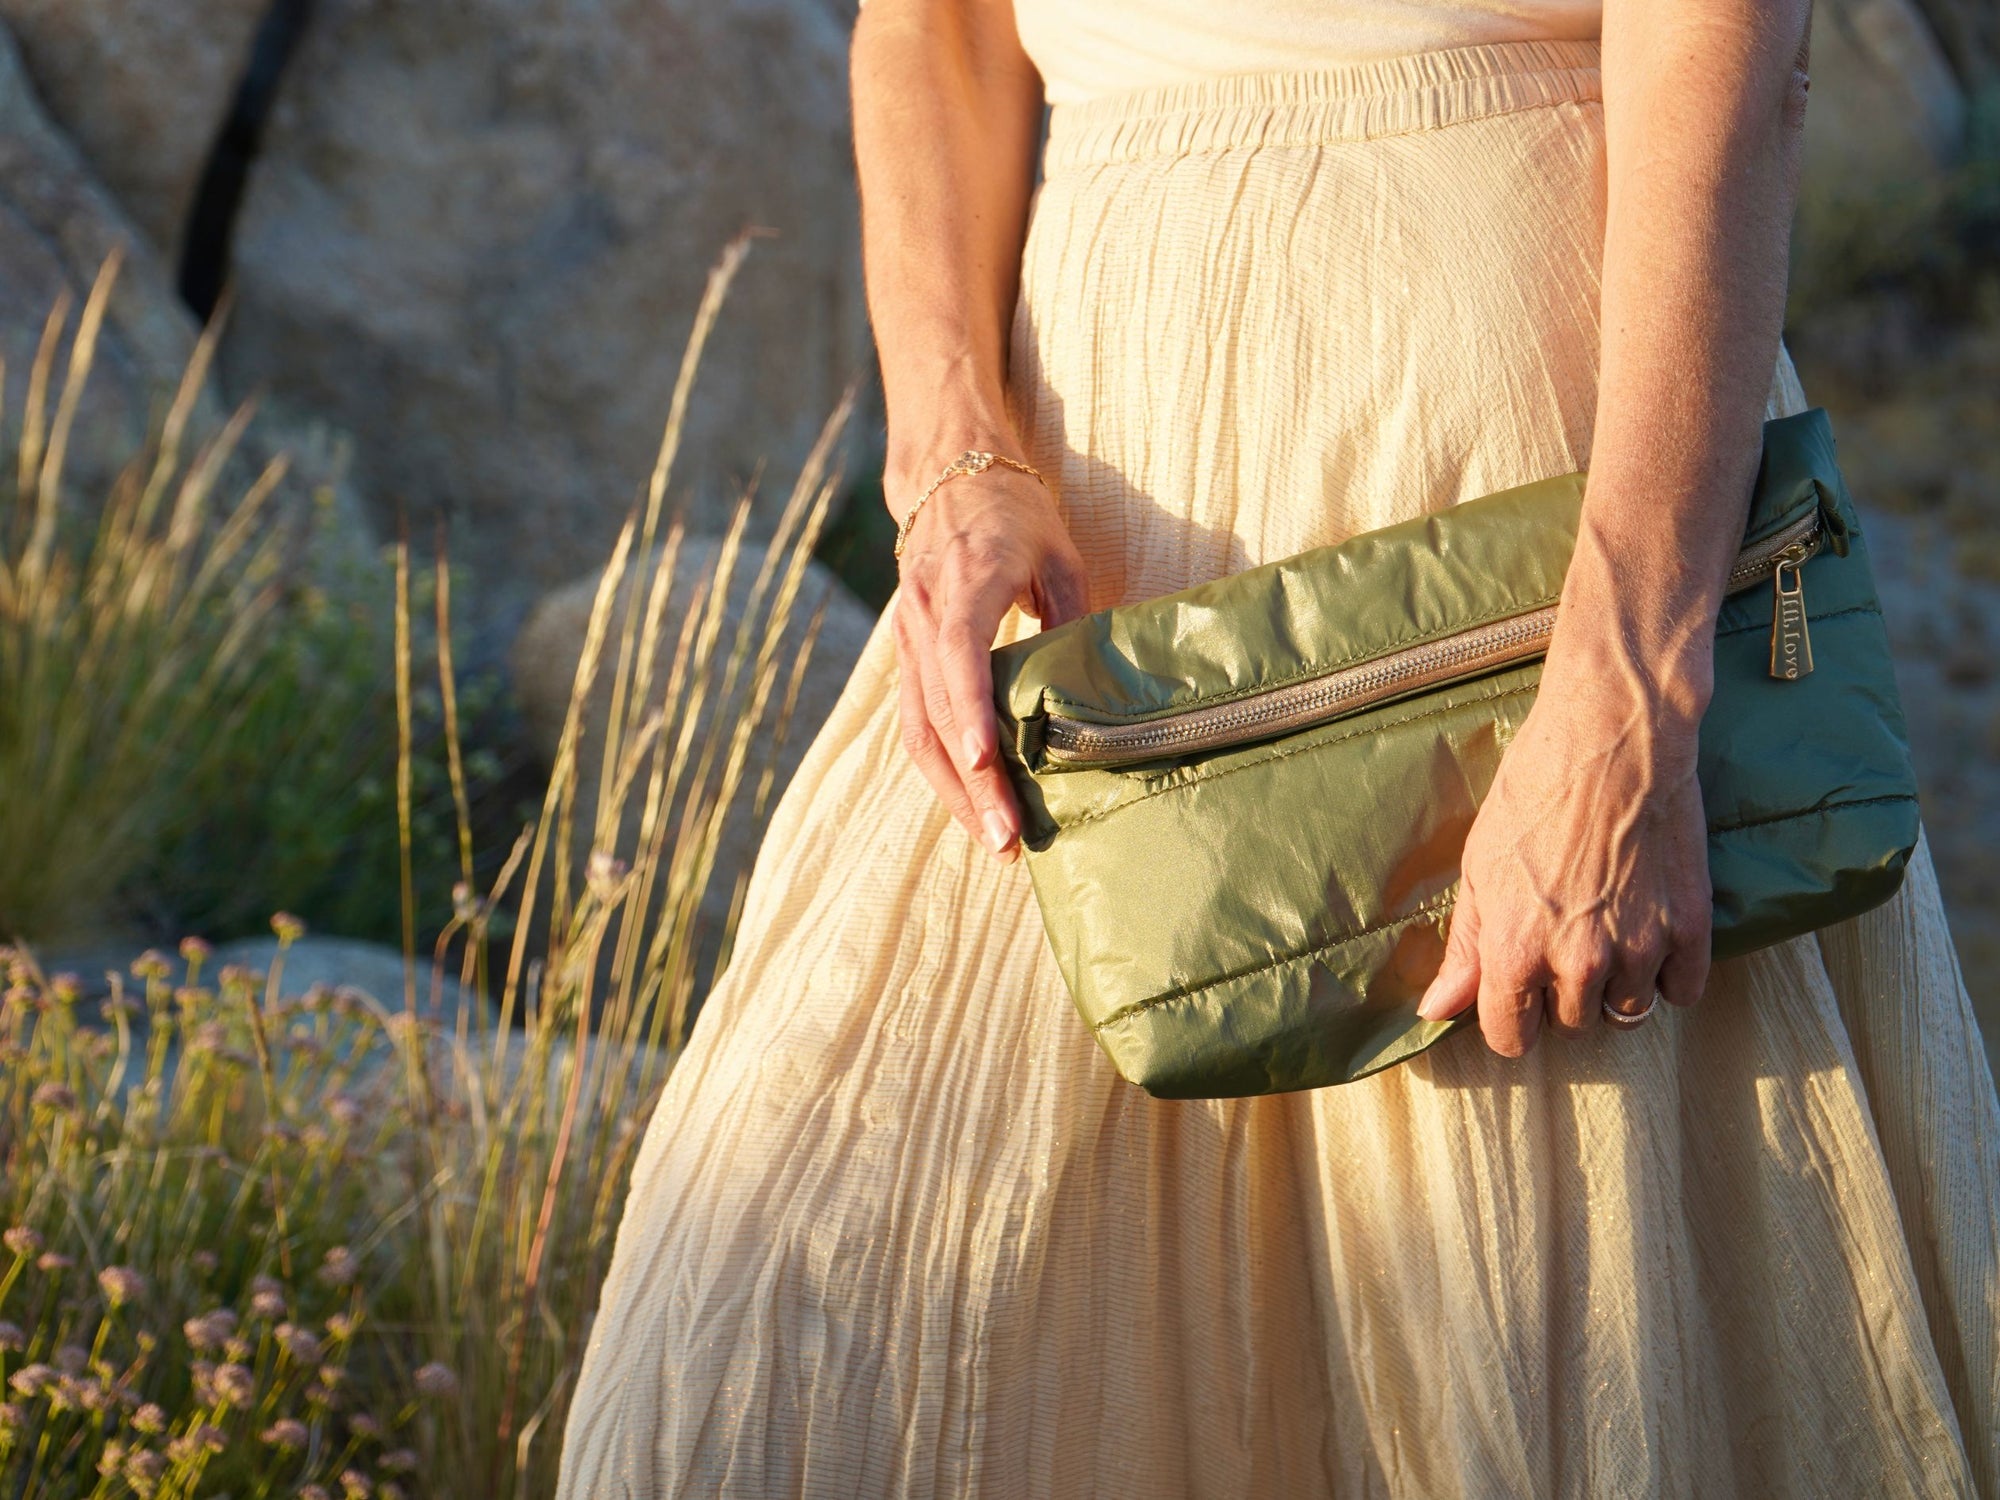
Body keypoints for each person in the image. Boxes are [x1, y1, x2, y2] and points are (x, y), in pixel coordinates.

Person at [559, 0, 2000, 1493]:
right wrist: (948, 454)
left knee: (1525, 1345)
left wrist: (1626, 697)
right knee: (766, 1368)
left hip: (1509, 508)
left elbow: (1718, 49)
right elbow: (937, 31)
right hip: (1099, 532)